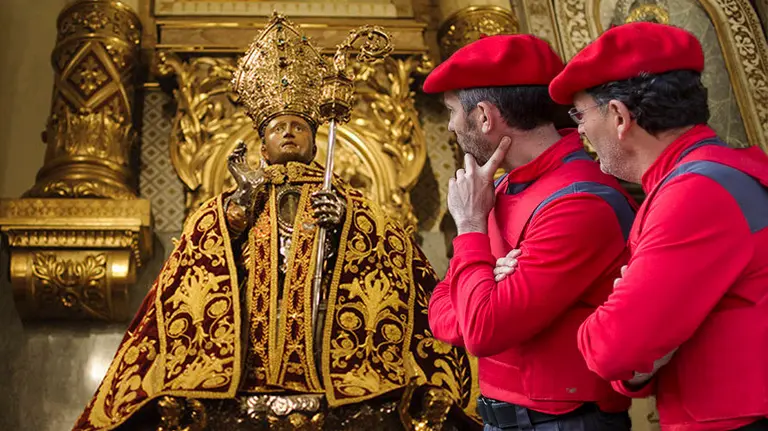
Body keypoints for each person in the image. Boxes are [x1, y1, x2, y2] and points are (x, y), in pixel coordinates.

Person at [72, 13, 479, 431]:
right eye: (279, 127)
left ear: (314, 138)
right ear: (262, 142)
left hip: (329, 344)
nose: (289, 134)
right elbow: (199, 255)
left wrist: (346, 221)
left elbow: (391, 254)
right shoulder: (237, 198)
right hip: (250, 344)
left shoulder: (346, 199)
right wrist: (238, 206)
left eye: (298, 127)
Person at [547, 21, 768, 430]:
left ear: (618, 116)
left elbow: (611, 348)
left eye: (580, 113)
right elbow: (633, 361)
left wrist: (621, 326)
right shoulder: (710, 175)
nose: (578, 129)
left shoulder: (696, 192)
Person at [423, 34, 637, 431]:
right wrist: (485, 282)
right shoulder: (497, 189)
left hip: (565, 423)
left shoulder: (580, 201)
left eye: (452, 111)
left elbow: (482, 330)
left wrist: (469, 228)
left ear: (484, 116)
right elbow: (442, 313)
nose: (452, 126)